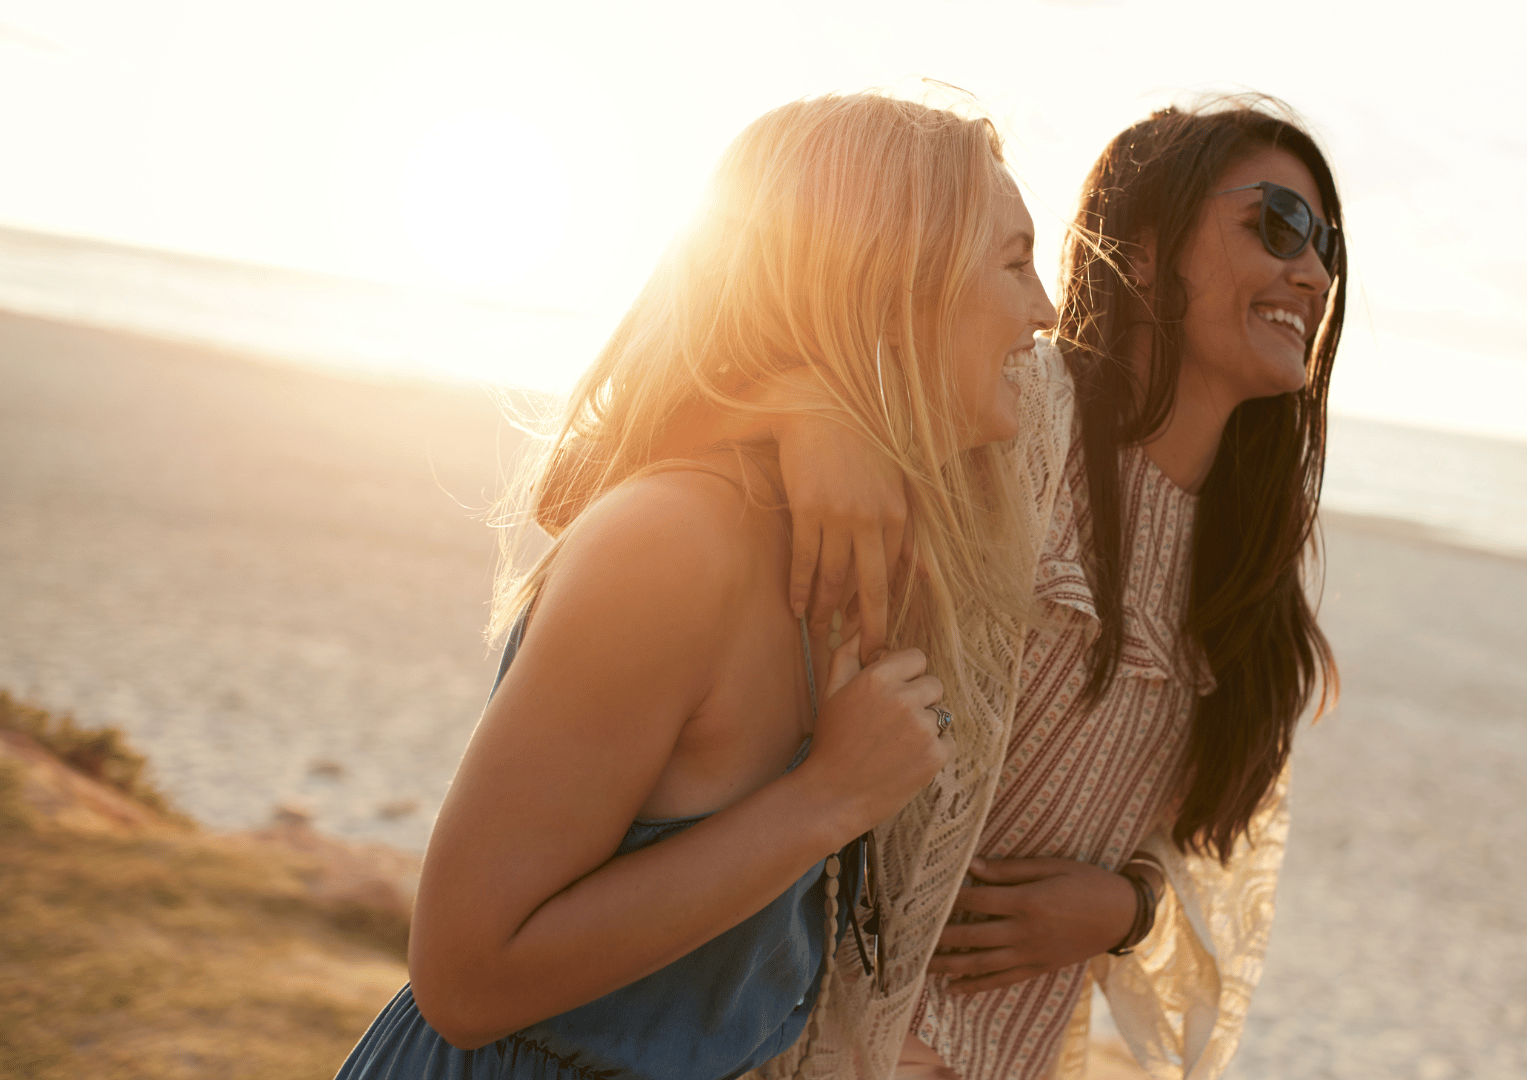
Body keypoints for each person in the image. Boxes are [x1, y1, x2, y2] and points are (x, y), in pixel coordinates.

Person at [333, 91, 1057, 1080]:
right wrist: (824, 800)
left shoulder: (841, 545)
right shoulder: (678, 542)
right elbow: (463, 979)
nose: (1045, 311)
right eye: (1015, 263)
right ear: (886, 283)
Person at [769, 96, 1346, 1080]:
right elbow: (804, 331)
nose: (1312, 270)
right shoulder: (1014, 411)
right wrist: (804, 411)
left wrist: (1127, 911)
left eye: (1326, 243)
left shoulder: (1250, 558)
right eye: (1278, 224)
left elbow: (1200, 851)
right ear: (1153, 246)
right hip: (818, 1038)